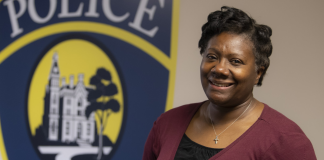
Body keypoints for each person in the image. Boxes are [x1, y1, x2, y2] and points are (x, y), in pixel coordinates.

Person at [143, 6, 317, 160]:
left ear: (258, 72)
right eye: (212, 57)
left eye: (235, 61)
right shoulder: (167, 123)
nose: (220, 69)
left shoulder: (285, 141)